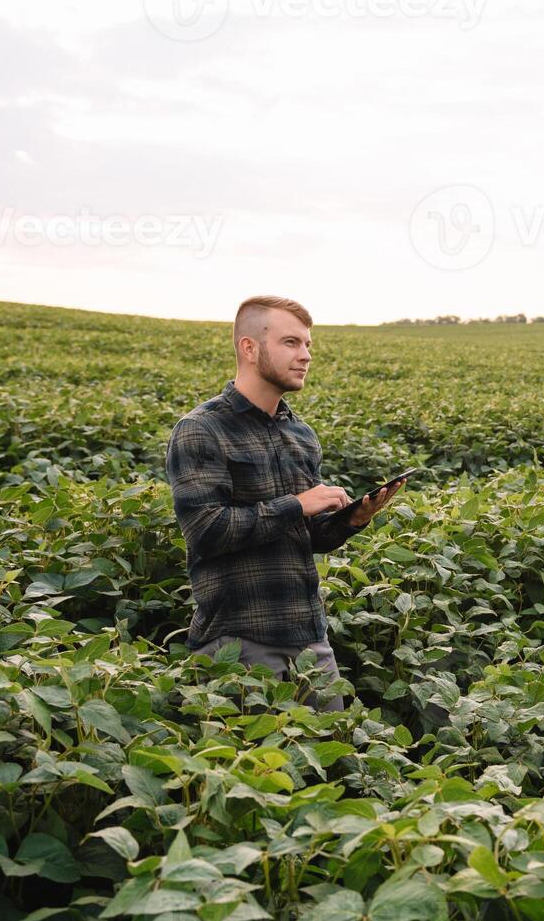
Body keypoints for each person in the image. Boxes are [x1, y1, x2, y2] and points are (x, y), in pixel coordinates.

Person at [165, 295, 402, 710]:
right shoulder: (201, 430)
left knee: (336, 761)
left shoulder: (301, 434)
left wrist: (351, 520)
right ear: (250, 348)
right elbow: (206, 532)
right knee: (256, 768)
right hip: (237, 641)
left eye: (308, 345)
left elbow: (307, 536)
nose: (306, 356)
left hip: (311, 638)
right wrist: (298, 503)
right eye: (291, 343)